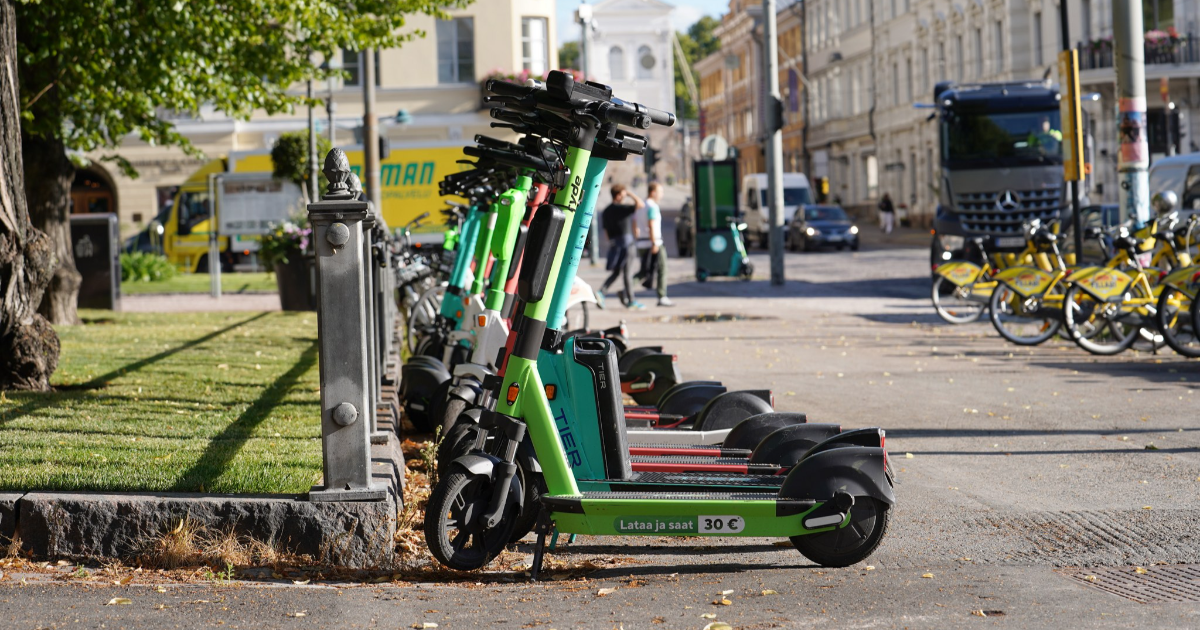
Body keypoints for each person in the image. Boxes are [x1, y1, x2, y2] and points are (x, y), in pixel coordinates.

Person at [599, 184, 644, 308]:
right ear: (618, 195)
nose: (625, 197)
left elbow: (606, 232)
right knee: (628, 273)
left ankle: (601, 292)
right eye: (623, 195)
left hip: (615, 244)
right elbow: (640, 204)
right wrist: (630, 194)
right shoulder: (622, 208)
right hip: (627, 244)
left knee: (617, 272)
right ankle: (631, 300)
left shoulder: (606, 211)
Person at [635, 182, 672, 306]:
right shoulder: (652, 207)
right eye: (660, 192)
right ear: (653, 192)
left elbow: (634, 223)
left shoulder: (641, 206)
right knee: (662, 269)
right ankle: (662, 296)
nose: (662, 195)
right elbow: (651, 225)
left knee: (644, 272)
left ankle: (627, 289)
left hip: (641, 242)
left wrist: (637, 238)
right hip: (654, 242)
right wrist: (654, 242)